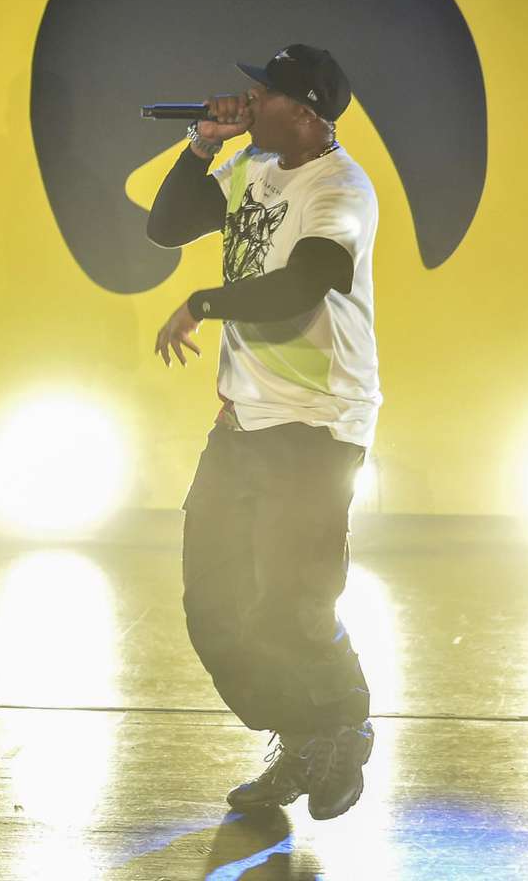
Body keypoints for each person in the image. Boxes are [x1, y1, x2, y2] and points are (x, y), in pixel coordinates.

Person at [147, 44, 382, 820]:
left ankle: (344, 723)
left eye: (265, 93)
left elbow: (301, 285)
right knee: (214, 604)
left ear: (307, 112)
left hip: (318, 422)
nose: (248, 99)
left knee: (292, 603)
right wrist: (203, 145)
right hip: (245, 420)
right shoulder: (253, 168)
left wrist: (205, 303)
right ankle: (299, 733)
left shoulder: (340, 188)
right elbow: (168, 225)